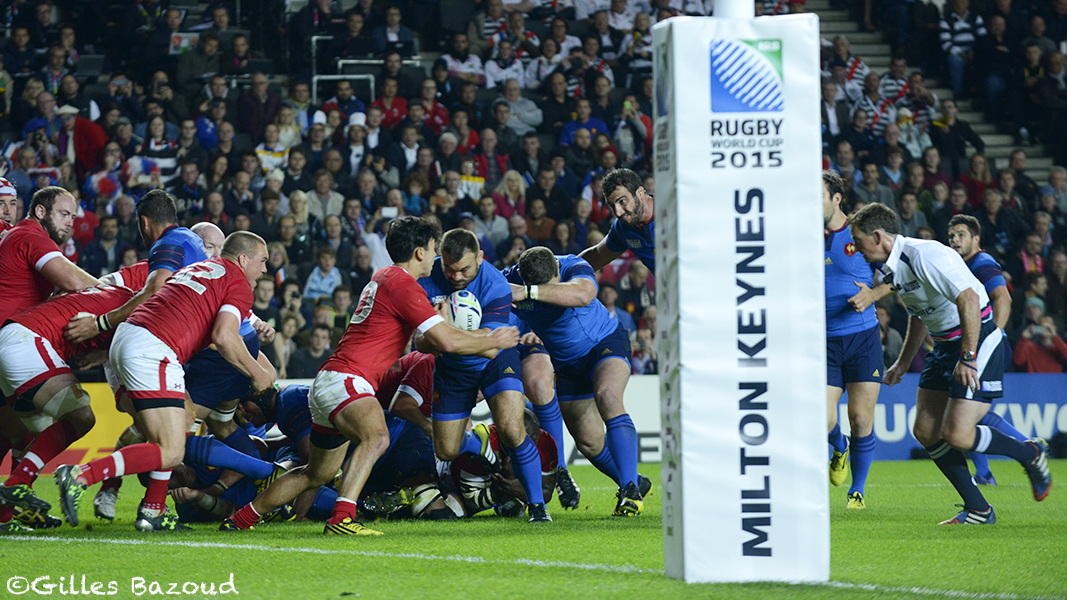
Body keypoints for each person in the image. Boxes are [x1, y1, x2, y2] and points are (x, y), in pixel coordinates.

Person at [221, 216, 520, 535]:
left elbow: (426, 342)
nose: (436, 257)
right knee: (377, 437)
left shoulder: (385, 277)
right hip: (348, 380)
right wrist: (492, 340)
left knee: (316, 474)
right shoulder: (405, 284)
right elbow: (446, 341)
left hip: (331, 380)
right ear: (419, 252)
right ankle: (342, 518)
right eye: (434, 249)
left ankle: (241, 518)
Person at [54, 232, 275, 531]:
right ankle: (81, 475)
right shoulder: (237, 281)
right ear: (244, 259)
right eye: (262, 261)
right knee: (171, 449)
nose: (265, 269)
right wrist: (258, 373)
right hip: (154, 348)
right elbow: (225, 337)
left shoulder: (198, 268)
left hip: (131, 338)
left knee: (182, 422)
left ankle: (153, 509)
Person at [848, 203, 1051, 524]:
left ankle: (1031, 454)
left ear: (877, 236)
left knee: (957, 434)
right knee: (926, 431)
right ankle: (979, 510)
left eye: (859, 240)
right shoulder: (889, 270)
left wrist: (968, 357)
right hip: (944, 345)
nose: (856, 248)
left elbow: (969, 298)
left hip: (977, 339)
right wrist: (902, 363)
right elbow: (919, 315)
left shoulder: (925, 254)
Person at [417, 229, 551, 522]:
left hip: (496, 361)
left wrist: (443, 334)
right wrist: (443, 338)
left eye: (464, 269)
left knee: (512, 429)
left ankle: (537, 506)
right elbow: (418, 342)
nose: (456, 276)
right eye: (449, 269)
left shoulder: (496, 284)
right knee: (446, 450)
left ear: (480, 257)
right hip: (453, 370)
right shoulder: (425, 278)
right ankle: (480, 444)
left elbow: (491, 348)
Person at [505, 247, 646, 516]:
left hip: (604, 343)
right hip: (568, 365)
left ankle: (630, 491)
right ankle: (636, 481)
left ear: (557, 269)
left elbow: (583, 294)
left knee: (608, 397)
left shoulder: (572, 265)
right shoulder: (510, 279)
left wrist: (529, 292)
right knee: (589, 443)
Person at [946, 214, 1030, 484]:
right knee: (968, 409)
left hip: (984, 347)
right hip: (972, 346)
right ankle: (986, 472)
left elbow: (1002, 297)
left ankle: (1029, 449)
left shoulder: (982, 263)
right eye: (951, 236)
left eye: (961, 235)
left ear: (976, 238)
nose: (955, 240)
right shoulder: (961, 265)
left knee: (966, 408)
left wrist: (993, 336)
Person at [821, 171, 883, 508]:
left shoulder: (859, 233)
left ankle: (856, 491)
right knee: (824, 420)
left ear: (836, 199)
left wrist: (872, 294)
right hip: (823, 341)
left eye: (818, 196)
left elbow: (897, 274)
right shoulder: (801, 235)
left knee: (860, 418)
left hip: (862, 337)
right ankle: (838, 445)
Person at [580, 168, 654, 274]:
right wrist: (563, 268)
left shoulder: (673, 212)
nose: (618, 213)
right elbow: (597, 255)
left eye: (622, 201)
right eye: (612, 206)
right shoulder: (622, 228)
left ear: (640, 193)